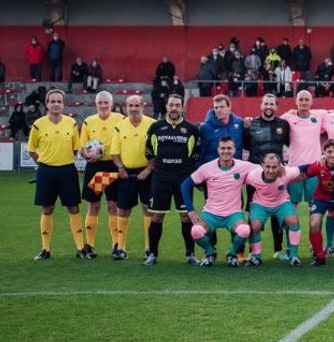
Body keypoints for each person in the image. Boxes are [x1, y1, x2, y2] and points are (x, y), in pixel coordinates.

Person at [179, 136, 256, 267]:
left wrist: (285, 169)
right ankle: (210, 253)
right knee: (196, 231)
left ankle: (231, 254)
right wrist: (190, 209)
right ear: (218, 150)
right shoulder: (207, 167)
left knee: (244, 230)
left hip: (233, 214)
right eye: (223, 148)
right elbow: (185, 185)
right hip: (211, 214)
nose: (226, 151)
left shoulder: (244, 166)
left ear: (235, 149)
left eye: (229, 148)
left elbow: (265, 169)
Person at [27, 89, 86, 261]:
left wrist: (62, 159)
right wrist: (44, 163)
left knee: (73, 207)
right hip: (46, 171)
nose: (56, 104)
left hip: (68, 170)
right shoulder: (38, 124)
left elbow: (76, 148)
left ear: (63, 104)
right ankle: (45, 249)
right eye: (52, 101)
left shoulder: (72, 123)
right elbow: (31, 150)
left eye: (59, 101)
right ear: (47, 104)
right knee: (47, 208)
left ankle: (80, 248)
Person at [142, 95, 200, 265]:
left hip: (183, 179)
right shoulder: (156, 127)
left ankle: (190, 254)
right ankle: (152, 254)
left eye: (177, 105)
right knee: (157, 217)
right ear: (166, 106)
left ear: (182, 108)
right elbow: (149, 151)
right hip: (161, 178)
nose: (174, 108)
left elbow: (195, 153)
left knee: (185, 216)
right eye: (171, 105)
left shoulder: (191, 129)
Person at [242, 93, 292, 259]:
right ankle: (253, 251)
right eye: (266, 103)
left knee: (277, 211)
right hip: (255, 176)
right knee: (253, 212)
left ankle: (278, 250)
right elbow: (244, 145)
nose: (269, 107)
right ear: (261, 105)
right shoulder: (250, 124)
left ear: (276, 107)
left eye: (272, 104)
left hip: (276, 175)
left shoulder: (283, 124)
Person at [77, 91, 125, 258]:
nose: (103, 105)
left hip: (113, 165)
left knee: (113, 205)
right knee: (94, 205)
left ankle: (116, 244)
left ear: (111, 104)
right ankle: (89, 245)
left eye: (106, 102)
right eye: (100, 103)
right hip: (95, 166)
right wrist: (88, 155)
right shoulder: (88, 122)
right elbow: (82, 149)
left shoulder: (120, 119)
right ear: (95, 104)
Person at [107, 95, 154, 261]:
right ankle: (121, 247)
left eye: (136, 105)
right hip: (126, 173)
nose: (133, 109)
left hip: (148, 173)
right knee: (123, 209)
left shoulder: (152, 124)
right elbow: (114, 152)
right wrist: (120, 167)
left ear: (143, 106)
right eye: (130, 106)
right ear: (126, 107)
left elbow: (157, 151)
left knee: (148, 208)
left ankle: (150, 248)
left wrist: (148, 169)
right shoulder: (120, 126)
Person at [281, 90, 330, 248]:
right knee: (292, 207)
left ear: (311, 101)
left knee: (315, 208)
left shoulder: (319, 115)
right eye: (300, 99)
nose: (303, 102)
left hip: (314, 170)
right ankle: (291, 244)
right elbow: (272, 121)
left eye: (306, 99)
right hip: (294, 170)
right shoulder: (289, 117)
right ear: (296, 101)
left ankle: (315, 244)